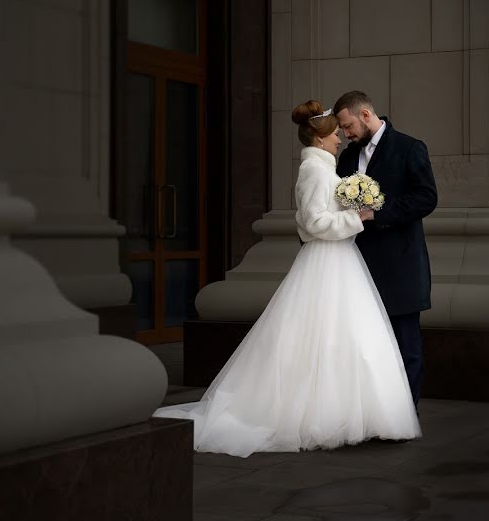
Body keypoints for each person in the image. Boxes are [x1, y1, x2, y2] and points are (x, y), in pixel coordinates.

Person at [152, 100, 421, 457]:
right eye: (334, 134)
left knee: (344, 340)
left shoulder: (326, 168)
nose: (341, 138)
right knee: (319, 339)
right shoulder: (314, 171)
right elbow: (311, 225)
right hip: (327, 260)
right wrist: (359, 218)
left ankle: (350, 414)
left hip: (341, 260)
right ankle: (322, 416)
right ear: (321, 139)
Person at [334, 90, 438, 406]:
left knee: (406, 346)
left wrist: (377, 213)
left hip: (401, 266)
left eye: (348, 125)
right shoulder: (349, 157)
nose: (345, 134)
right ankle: (374, 415)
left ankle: (404, 418)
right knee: (368, 346)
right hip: (359, 266)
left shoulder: (409, 148)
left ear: (365, 115)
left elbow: (426, 198)